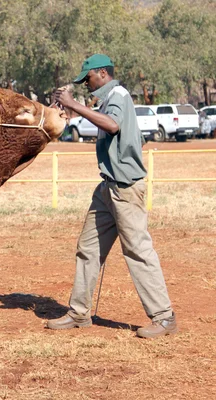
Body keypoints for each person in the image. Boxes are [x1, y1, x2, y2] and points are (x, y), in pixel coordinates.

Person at [47, 54, 177, 338]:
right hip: (107, 188)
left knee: (137, 251)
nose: (87, 84)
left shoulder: (117, 94)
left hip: (126, 187)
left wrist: (74, 105)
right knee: (88, 248)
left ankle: (164, 317)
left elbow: (113, 125)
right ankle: (79, 312)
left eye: (89, 78)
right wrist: (69, 107)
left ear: (103, 73)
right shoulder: (106, 99)